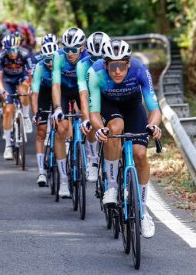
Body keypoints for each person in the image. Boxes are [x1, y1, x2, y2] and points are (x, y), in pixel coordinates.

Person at [88, 38, 162, 238]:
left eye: (122, 65)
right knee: (115, 128)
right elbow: (93, 112)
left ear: (128, 63)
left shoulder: (139, 69)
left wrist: (153, 125)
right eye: (113, 66)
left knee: (139, 154)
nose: (118, 71)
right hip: (109, 105)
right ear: (106, 64)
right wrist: (99, 128)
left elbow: (154, 108)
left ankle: (144, 212)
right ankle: (111, 187)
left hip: (133, 106)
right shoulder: (96, 73)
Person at [51, 27, 89, 198]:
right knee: (61, 128)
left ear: (82, 48)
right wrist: (58, 107)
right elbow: (56, 84)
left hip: (83, 91)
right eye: (66, 49)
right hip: (65, 93)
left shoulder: (88, 57)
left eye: (73, 50)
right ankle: (64, 180)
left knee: (91, 122)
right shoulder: (58, 56)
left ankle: (92, 159)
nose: (69, 53)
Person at [76, 31, 110, 183]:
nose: (96, 61)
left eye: (100, 57)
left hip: (109, 94)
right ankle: (94, 160)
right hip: (90, 94)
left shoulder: (114, 61)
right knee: (90, 122)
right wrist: (86, 118)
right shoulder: (82, 65)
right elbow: (84, 93)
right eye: (93, 57)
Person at [0, 34, 34, 160]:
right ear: (5, 50)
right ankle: (8, 146)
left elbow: (31, 73)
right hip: (7, 81)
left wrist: (32, 86)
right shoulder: (0, 57)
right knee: (7, 110)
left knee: (24, 90)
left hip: (21, 78)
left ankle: (26, 117)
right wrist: (1, 90)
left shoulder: (25, 54)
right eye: (10, 50)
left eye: (15, 49)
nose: (13, 53)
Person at [31, 38, 58, 187]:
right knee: (41, 131)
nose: (50, 62)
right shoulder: (39, 67)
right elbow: (34, 94)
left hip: (59, 93)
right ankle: (41, 171)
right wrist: (36, 114)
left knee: (65, 123)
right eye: (47, 59)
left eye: (52, 59)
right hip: (43, 94)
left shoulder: (62, 65)